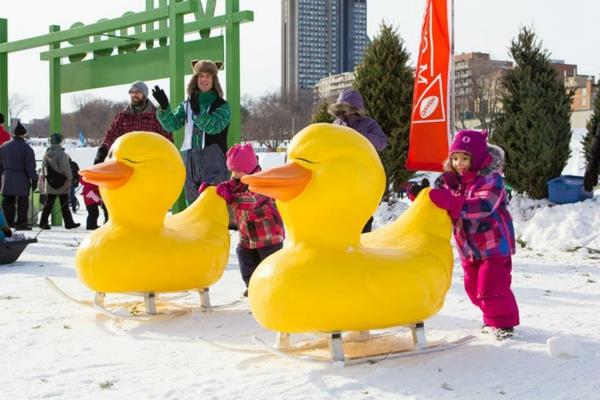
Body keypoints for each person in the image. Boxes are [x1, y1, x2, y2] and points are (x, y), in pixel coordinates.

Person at [429, 129, 519, 340]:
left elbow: (484, 205)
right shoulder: (452, 183)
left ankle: (503, 324)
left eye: (465, 158)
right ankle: (492, 317)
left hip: (494, 247)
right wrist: (423, 197)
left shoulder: (491, 180)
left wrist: (451, 202)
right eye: (455, 158)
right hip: (469, 249)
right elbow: (441, 206)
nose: (459, 163)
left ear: (477, 157)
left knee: (492, 288)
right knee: (473, 290)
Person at [200, 143, 285, 297]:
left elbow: (251, 201)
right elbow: (228, 187)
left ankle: (275, 289)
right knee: (245, 258)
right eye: (232, 170)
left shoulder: (262, 182)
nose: (234, 173)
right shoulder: (237, 179)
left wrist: (231, 197)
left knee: (269, 264)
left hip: (268, 235)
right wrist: (213, 189)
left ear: (248, 168)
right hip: (248, 236)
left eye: (237, 170)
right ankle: (252, 286)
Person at [153, 60, 230, 204]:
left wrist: (198, 112)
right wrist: (165, 108)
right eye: (201, 76)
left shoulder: (222, 106)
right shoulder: (186, 105)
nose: (204, 79)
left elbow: (215, 126)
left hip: (213, 158)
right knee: (192, 204)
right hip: (190, 158)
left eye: (208, 76)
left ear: (214, 80)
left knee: (212, 202)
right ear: (196, 79)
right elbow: (172, 125)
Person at [328, 88, 388, 232]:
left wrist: (359, 135)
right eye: (342, 109)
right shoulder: (336, 124)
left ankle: (363, 243)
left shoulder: (368, 123)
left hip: (362, 175)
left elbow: (382, 143)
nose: (345, 112)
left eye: (348, 109)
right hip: (341, 177)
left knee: (363, 215)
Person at [94, 81, 173, 164]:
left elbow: (167, 139)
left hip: (148, 164)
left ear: (145, 94)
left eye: (137, 92)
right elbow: (110, 137)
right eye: (131, 92)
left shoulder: (156, 116)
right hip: (126, 163)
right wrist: (102, 152)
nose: (134, 95)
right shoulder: (122, 117)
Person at [38, 133, 80, 230]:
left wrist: (47, 178)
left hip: (50, 183)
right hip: (63, 183)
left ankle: (43, 222)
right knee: (64, 203)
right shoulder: (62, 154)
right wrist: (70, 178)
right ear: (60, 142)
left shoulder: (46, 154)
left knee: (48, 204)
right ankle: (69, 223)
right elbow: (66, 169)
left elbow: (44, 168)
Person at [0, 121, 37, 230]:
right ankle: (21, 224)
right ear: (23, 134)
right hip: (22, 179)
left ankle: (7, 223)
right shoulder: (27, 149)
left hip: (7, 178)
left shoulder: (4, 146)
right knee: (22, 203)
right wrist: (34, 179)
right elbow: (30, 167)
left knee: (7, 202)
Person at [80, 166, 104, 230]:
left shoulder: (89, 184)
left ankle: (93, 225)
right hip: (90, 202)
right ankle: (90, 226)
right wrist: (99, 201)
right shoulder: (90, 185)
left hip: (91, 202)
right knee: (93, 214)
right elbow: (91, 194)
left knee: (94, 213)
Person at [583, 124, 600, 192]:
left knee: (593, 163)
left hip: (596, 144)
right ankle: (589, 185)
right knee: (593, 163)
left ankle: (591, 184)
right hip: (597, 145)